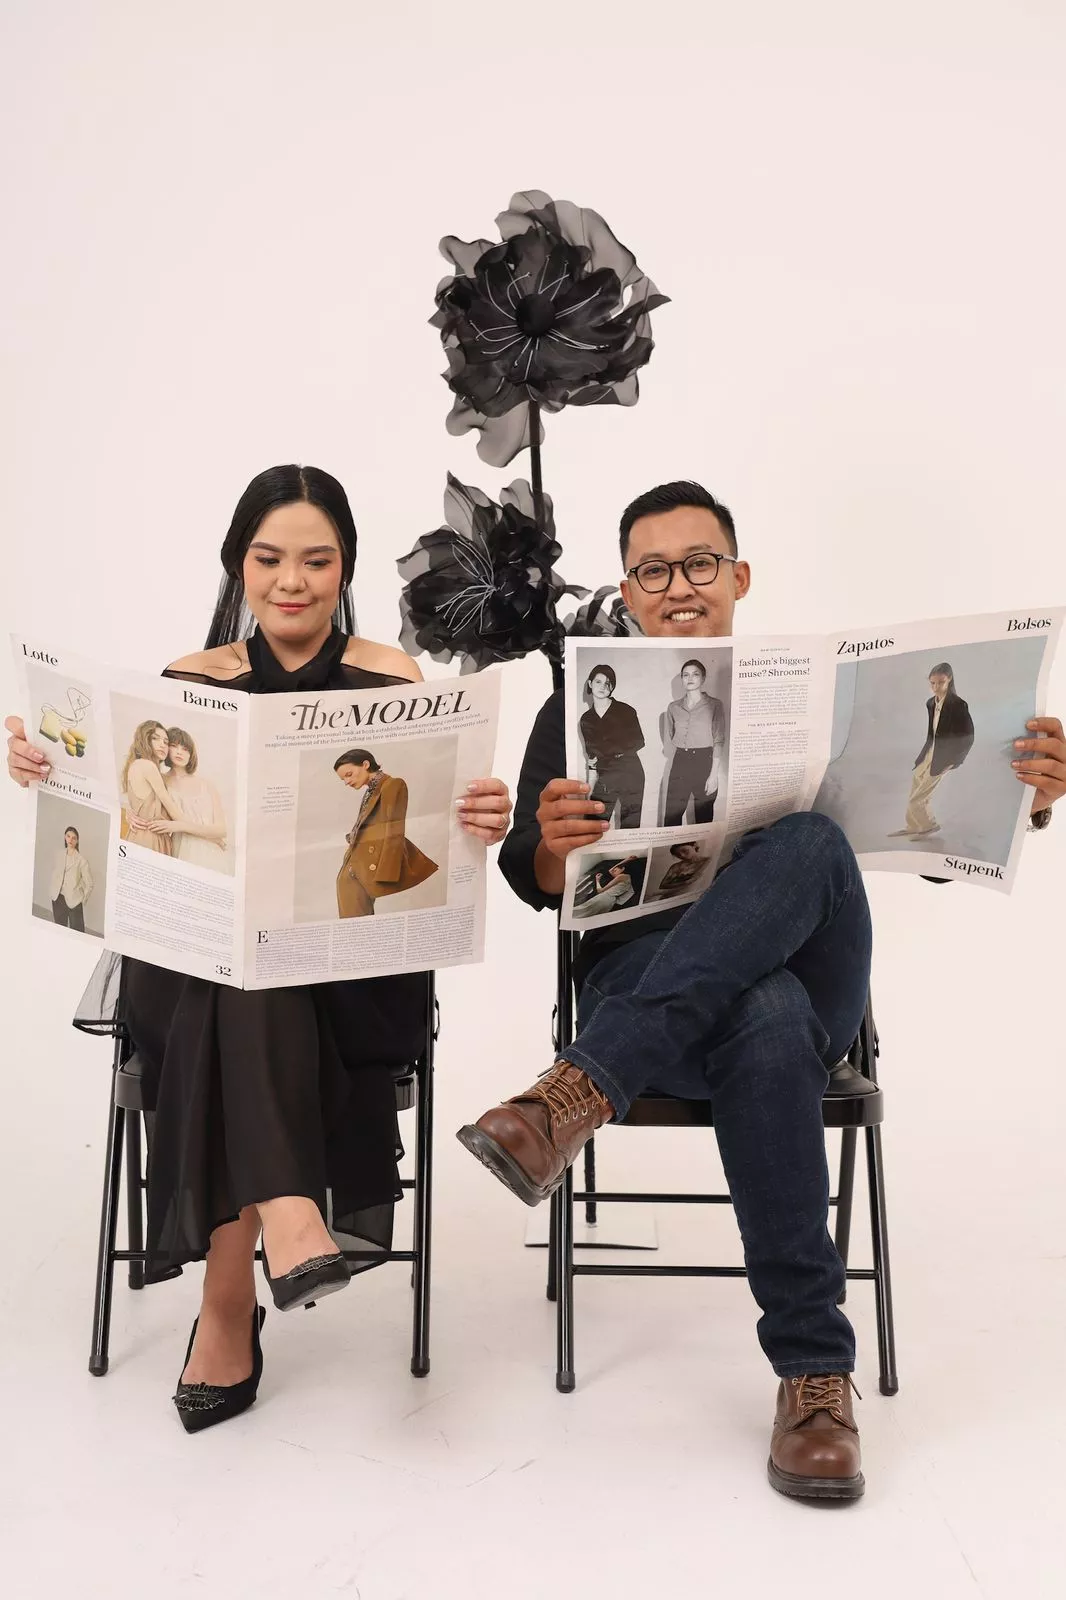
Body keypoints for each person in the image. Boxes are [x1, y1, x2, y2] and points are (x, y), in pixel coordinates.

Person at [456, 479, 1064, 1502]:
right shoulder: (578, 698)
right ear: (627, 591)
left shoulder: (817, 697)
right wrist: (554, 847)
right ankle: (813, 1375)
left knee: (814, 843)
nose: (678, 586)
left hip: (793, 982)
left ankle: (575, 1093)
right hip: (648, 974)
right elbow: (531, 873)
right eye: (653, 570)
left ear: (739, 577)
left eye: (699, 563)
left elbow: (917, 835)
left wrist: (1026, 795)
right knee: (764, 1013)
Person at [5, 464, 512, 1433]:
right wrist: (47, 768)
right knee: (234, 962)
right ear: (238, 564)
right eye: (269, 558)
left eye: (316, 560)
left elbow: (419, 838)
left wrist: (480, 815)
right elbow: (131, 832)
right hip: (196, 960)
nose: (291, 580)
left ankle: (227, 1299)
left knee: (252, 975)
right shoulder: (191, 680)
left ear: (345, 567)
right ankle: (286, 1213)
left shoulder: (393, 678)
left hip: (348, 974)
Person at [333, 748, 437, 917]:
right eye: (343, 779)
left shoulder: (392, 785)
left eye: (349, 774)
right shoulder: (371, 791)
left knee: (357, 925)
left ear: (365, 764)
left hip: (364, 870)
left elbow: (394, 830)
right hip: (354, 867)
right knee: (353, 925)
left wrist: (386, 874)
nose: (347, 781)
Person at [889, 663, 975, 841]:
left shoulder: (958, 705)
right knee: (915, 787)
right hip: (929, 753)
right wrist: (922, 756)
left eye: (941, 682)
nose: (936, 687)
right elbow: (932, 732)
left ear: (949, 680)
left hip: (943, 758)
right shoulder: (930, 703)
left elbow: (968, 737)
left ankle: (929, 825)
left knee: (918, 798)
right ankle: (913, 826)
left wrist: (955, 762)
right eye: (932, 683)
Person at [130, 726, 229, 870]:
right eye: (174, 746)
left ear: (191, 754)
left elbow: (222, 830)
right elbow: (141, 801)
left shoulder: (207, 785)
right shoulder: (159, 779)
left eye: (185, 749)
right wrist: (129, 814)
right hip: (179, 849)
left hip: (210, 852)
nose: (179, 752)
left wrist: (179, 826)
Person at [578, 664, 645, 828]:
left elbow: (638, 741)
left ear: (612, 687)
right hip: (606, 775)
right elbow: (592, 759)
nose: (603, 687)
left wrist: (606, 754)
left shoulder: (626, 711)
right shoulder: (586, 719)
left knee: (630, 827)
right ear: (590, 684)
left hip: (630, 772)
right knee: (593, 825)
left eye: (608, 683)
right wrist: (590, 789)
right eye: (598, 682)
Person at [662, 659, 725, 825]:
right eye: (685, 675)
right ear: (682, 679)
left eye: (695, 674)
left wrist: (713, 775)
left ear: (703, 678)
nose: (690, 678)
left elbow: (719, 740)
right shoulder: (673, 707)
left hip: (705, 762)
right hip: (680, 761)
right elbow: (672, 734)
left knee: (704, 817)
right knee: (671, 817)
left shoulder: (715, 705)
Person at [120, 720, 182, 853]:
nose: (162, 744)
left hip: (140, 835)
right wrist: (207, 833)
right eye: (155, 738)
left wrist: (128, 813)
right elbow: (175, 814)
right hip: (150, 838)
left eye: (166, 742)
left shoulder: (136, 765)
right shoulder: (148, 766)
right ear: (145, 740)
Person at [50, 825, 94, 930]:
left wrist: (82, 900)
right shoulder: (59, 854)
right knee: (59, 929)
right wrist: (53, 888)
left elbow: (90, 884)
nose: (70, 840)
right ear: (65, 837)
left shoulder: (82, 861)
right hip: (58, 898)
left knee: (77, 932)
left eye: (74, 838)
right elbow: (56, 873)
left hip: (74, 900)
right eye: (68, 836)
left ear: (77, 841)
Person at [573, 854, 645, 917]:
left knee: (579, 911)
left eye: (615, 870)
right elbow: (610, 870)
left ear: (623, 869)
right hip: (610, 903)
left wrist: (597, 880)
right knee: (585, 914)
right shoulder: (626, 878)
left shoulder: (621, 876)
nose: (613, 871)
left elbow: (600, 890)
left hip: (604, 898)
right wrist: (626, 860)